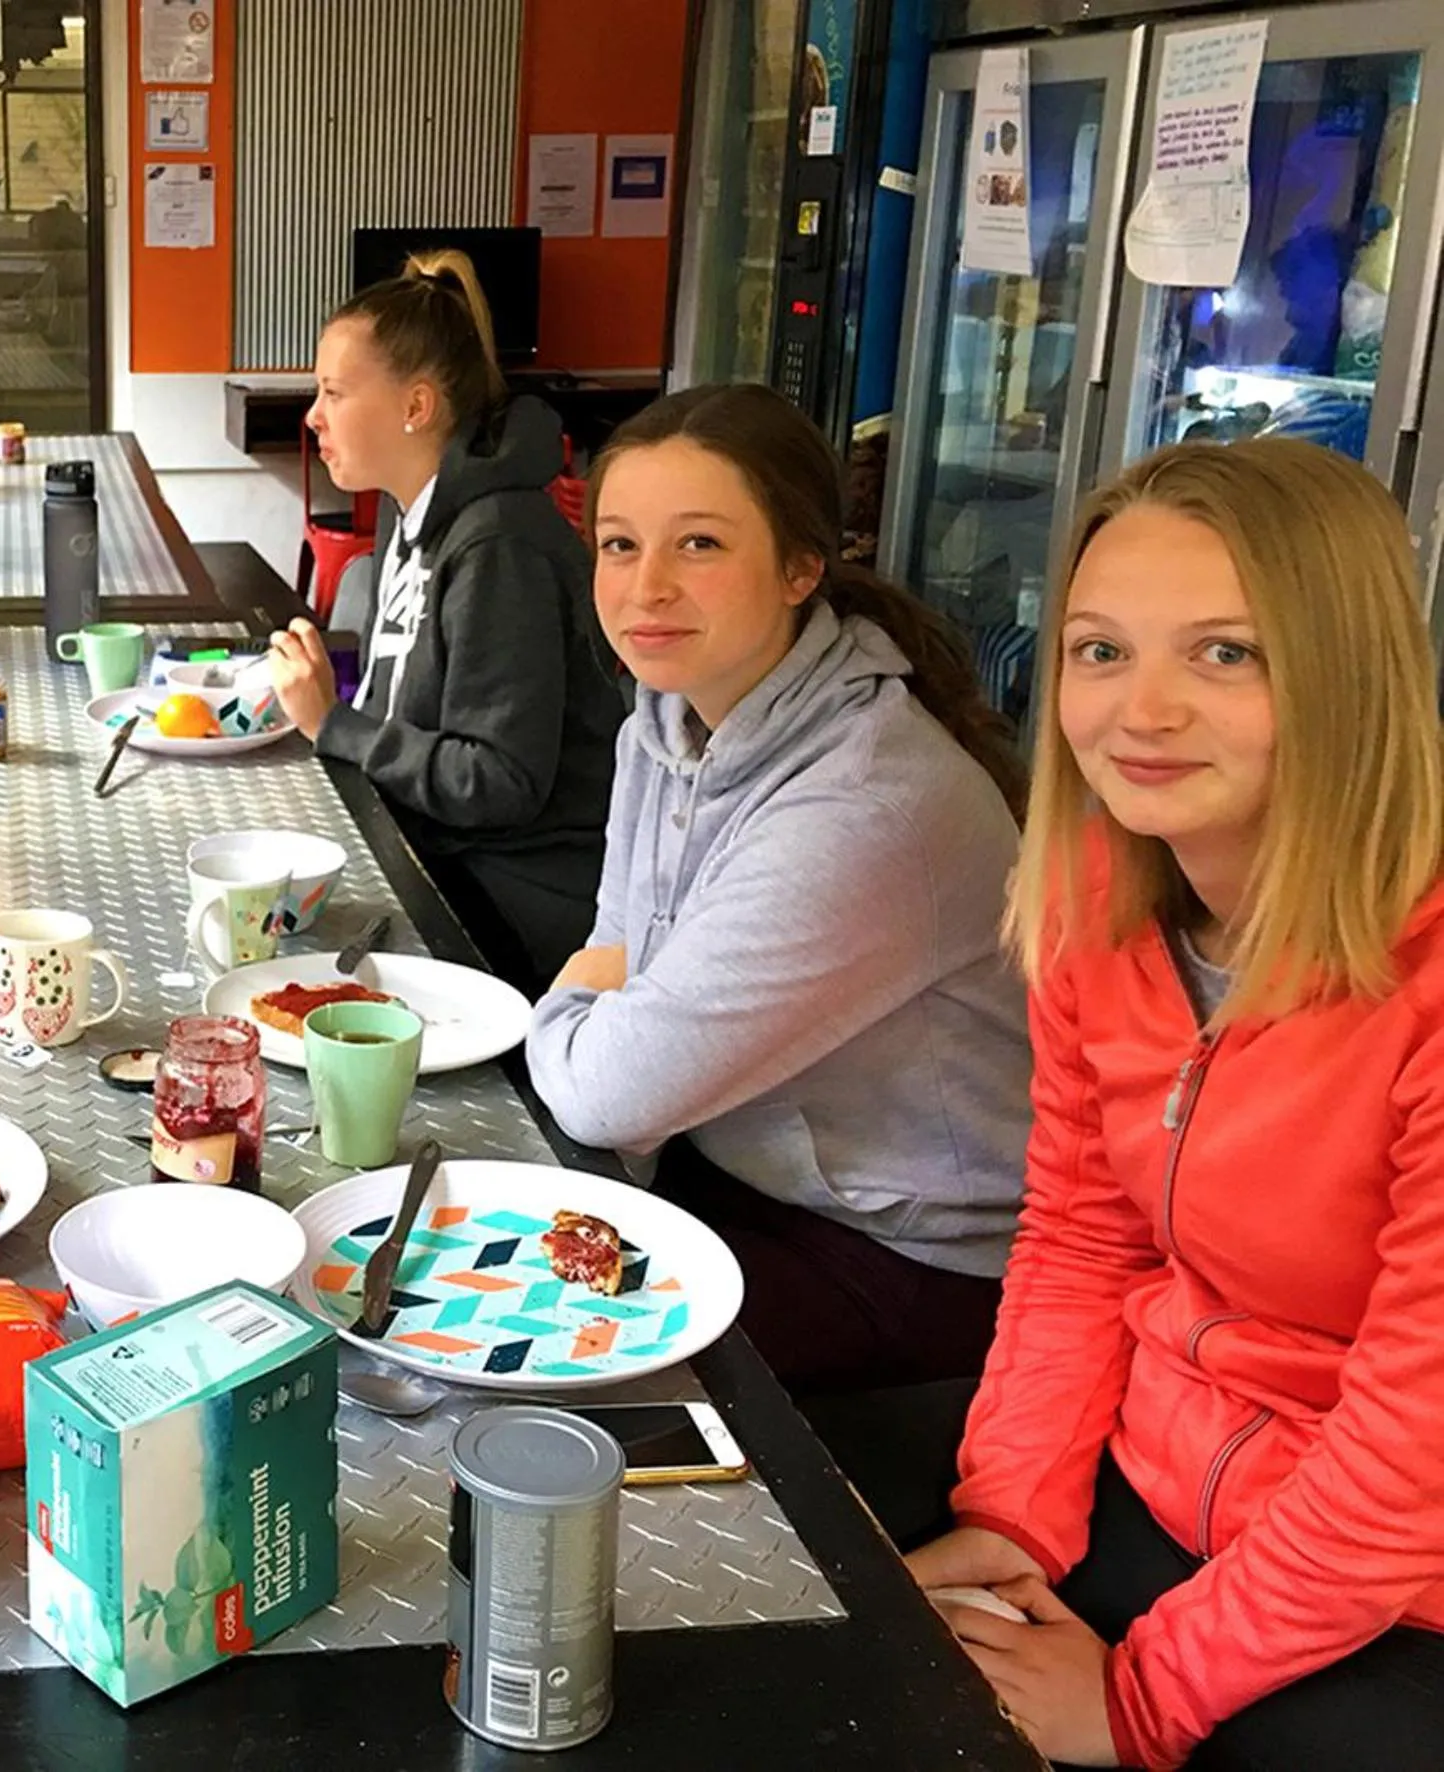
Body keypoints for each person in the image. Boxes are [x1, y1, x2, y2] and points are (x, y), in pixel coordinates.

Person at [905, 439, 1444, 1771]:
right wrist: (1013, 1517)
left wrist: (1141, 1700)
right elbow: (1086, 1235)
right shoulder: (1102, 893)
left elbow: (1407, 1455)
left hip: (1392, 1583)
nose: (1139, 713)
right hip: (1153, 1477)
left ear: (1346, 678)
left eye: (1224, 654)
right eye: (1099, 651)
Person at [524, 383, 1031, 1403]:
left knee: (550, 1385)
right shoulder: (661, 717)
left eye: (699, 544)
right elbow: (619, 950)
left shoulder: (865, 806)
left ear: (803, 565)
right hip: (740, 1167)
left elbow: (605, 1088)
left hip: (906, 1257)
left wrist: (575, 1007)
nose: (645, 587)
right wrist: (605, 1009)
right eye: (619, 545)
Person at [263, 250, 620, 987]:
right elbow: (405, 708)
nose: (314, 416)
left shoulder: (500, 545)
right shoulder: (409, 507)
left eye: (333, 392)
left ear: (415, 406)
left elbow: (500, 780)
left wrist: (336, 725)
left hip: (509, 907)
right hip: (430, 851)